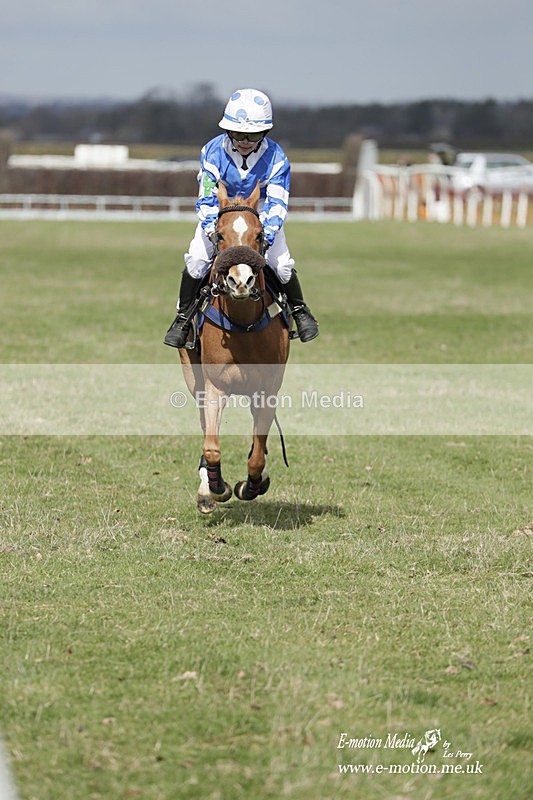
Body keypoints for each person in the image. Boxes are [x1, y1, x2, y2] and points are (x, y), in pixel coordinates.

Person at [164, 88, 319, 348]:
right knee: (196, 262)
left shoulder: (277, 158)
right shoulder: (212, 152)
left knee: (282, 266)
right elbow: (205, 197)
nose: (245, 140)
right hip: (219, 220)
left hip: (259, 220)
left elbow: (278, 201)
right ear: (228, 131)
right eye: (238, 133)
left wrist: (265, 235)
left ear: (265, 133)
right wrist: (215, 231)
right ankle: (182, 320)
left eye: (254, 134)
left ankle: (301, 311)